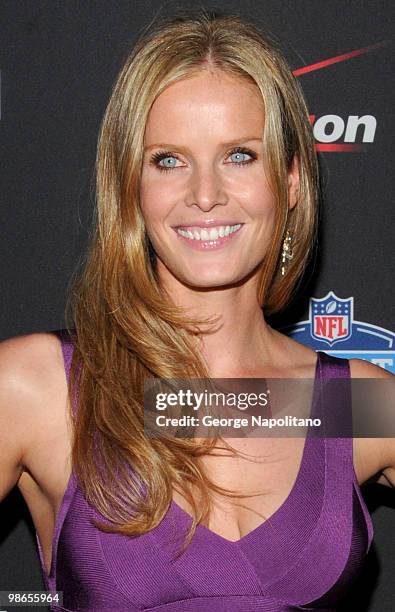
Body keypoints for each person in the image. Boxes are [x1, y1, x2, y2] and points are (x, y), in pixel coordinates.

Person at [0, 9, 393, 612]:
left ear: (289, 181)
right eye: (168, 160)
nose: (205, 195)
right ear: (131, 185)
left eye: (239, 155)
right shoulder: (39, 390)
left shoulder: (351, 405)